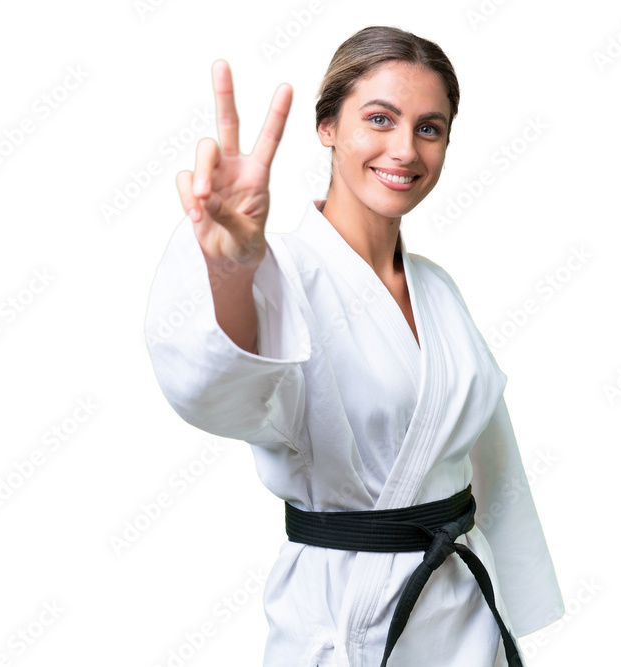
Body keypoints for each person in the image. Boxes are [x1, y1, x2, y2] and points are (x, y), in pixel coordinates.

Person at [144, 25, 563, 667]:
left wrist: (514, 600)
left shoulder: (438, 288)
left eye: (429, 128)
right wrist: (231, 273)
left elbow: (490, 461)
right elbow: (220, 389)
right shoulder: (281, 274)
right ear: (327, 127)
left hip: (463, 616)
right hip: (346, 621)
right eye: (380, 119)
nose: (406, 149)